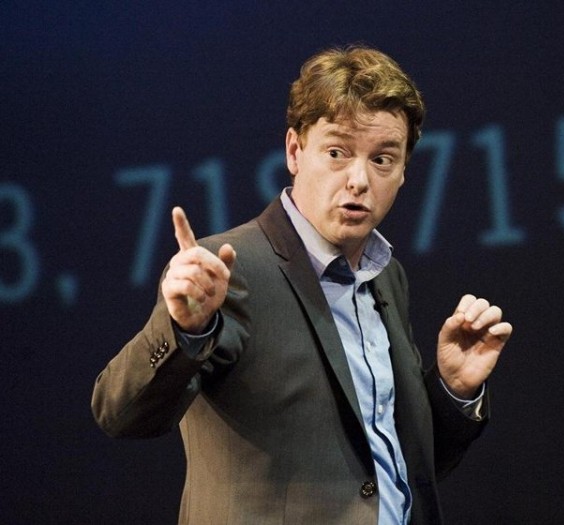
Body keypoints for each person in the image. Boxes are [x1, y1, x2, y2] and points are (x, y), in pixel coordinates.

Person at [92, 45, 512, 525]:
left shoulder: (386, 276)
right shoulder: (226, 270)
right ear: (294, 151)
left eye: (382, 159)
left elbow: (393, 467)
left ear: (402, 172)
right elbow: (120, 414)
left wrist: (453, 389)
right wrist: (184, 330)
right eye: (337, 153)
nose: (359, 180)